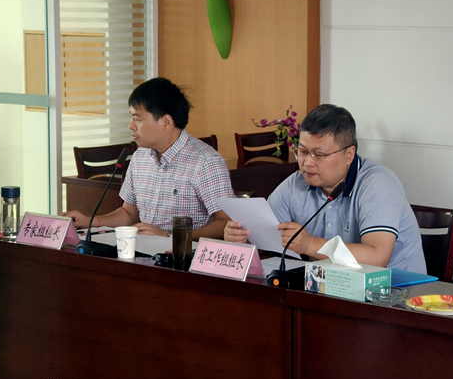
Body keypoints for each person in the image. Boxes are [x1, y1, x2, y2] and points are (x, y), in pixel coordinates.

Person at [224, 104, 426, 273]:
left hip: (396, 293)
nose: (307, 163)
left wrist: (310, 244)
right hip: (331, 288)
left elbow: (377, 258)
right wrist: (243, 239)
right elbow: (265, 235)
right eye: (302, 151)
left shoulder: (378, 184)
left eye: (319, 155)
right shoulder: (296, 184)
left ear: (349, 155)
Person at [64, 78, 233, 239]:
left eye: (137, 119)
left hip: (184, 256)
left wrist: (170, 238)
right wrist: (90, 221)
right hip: (142, 251)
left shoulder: (206, 162)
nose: (131, 126)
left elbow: (225, 222)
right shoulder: (140, 157)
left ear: (166, 122)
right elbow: (129, 213)